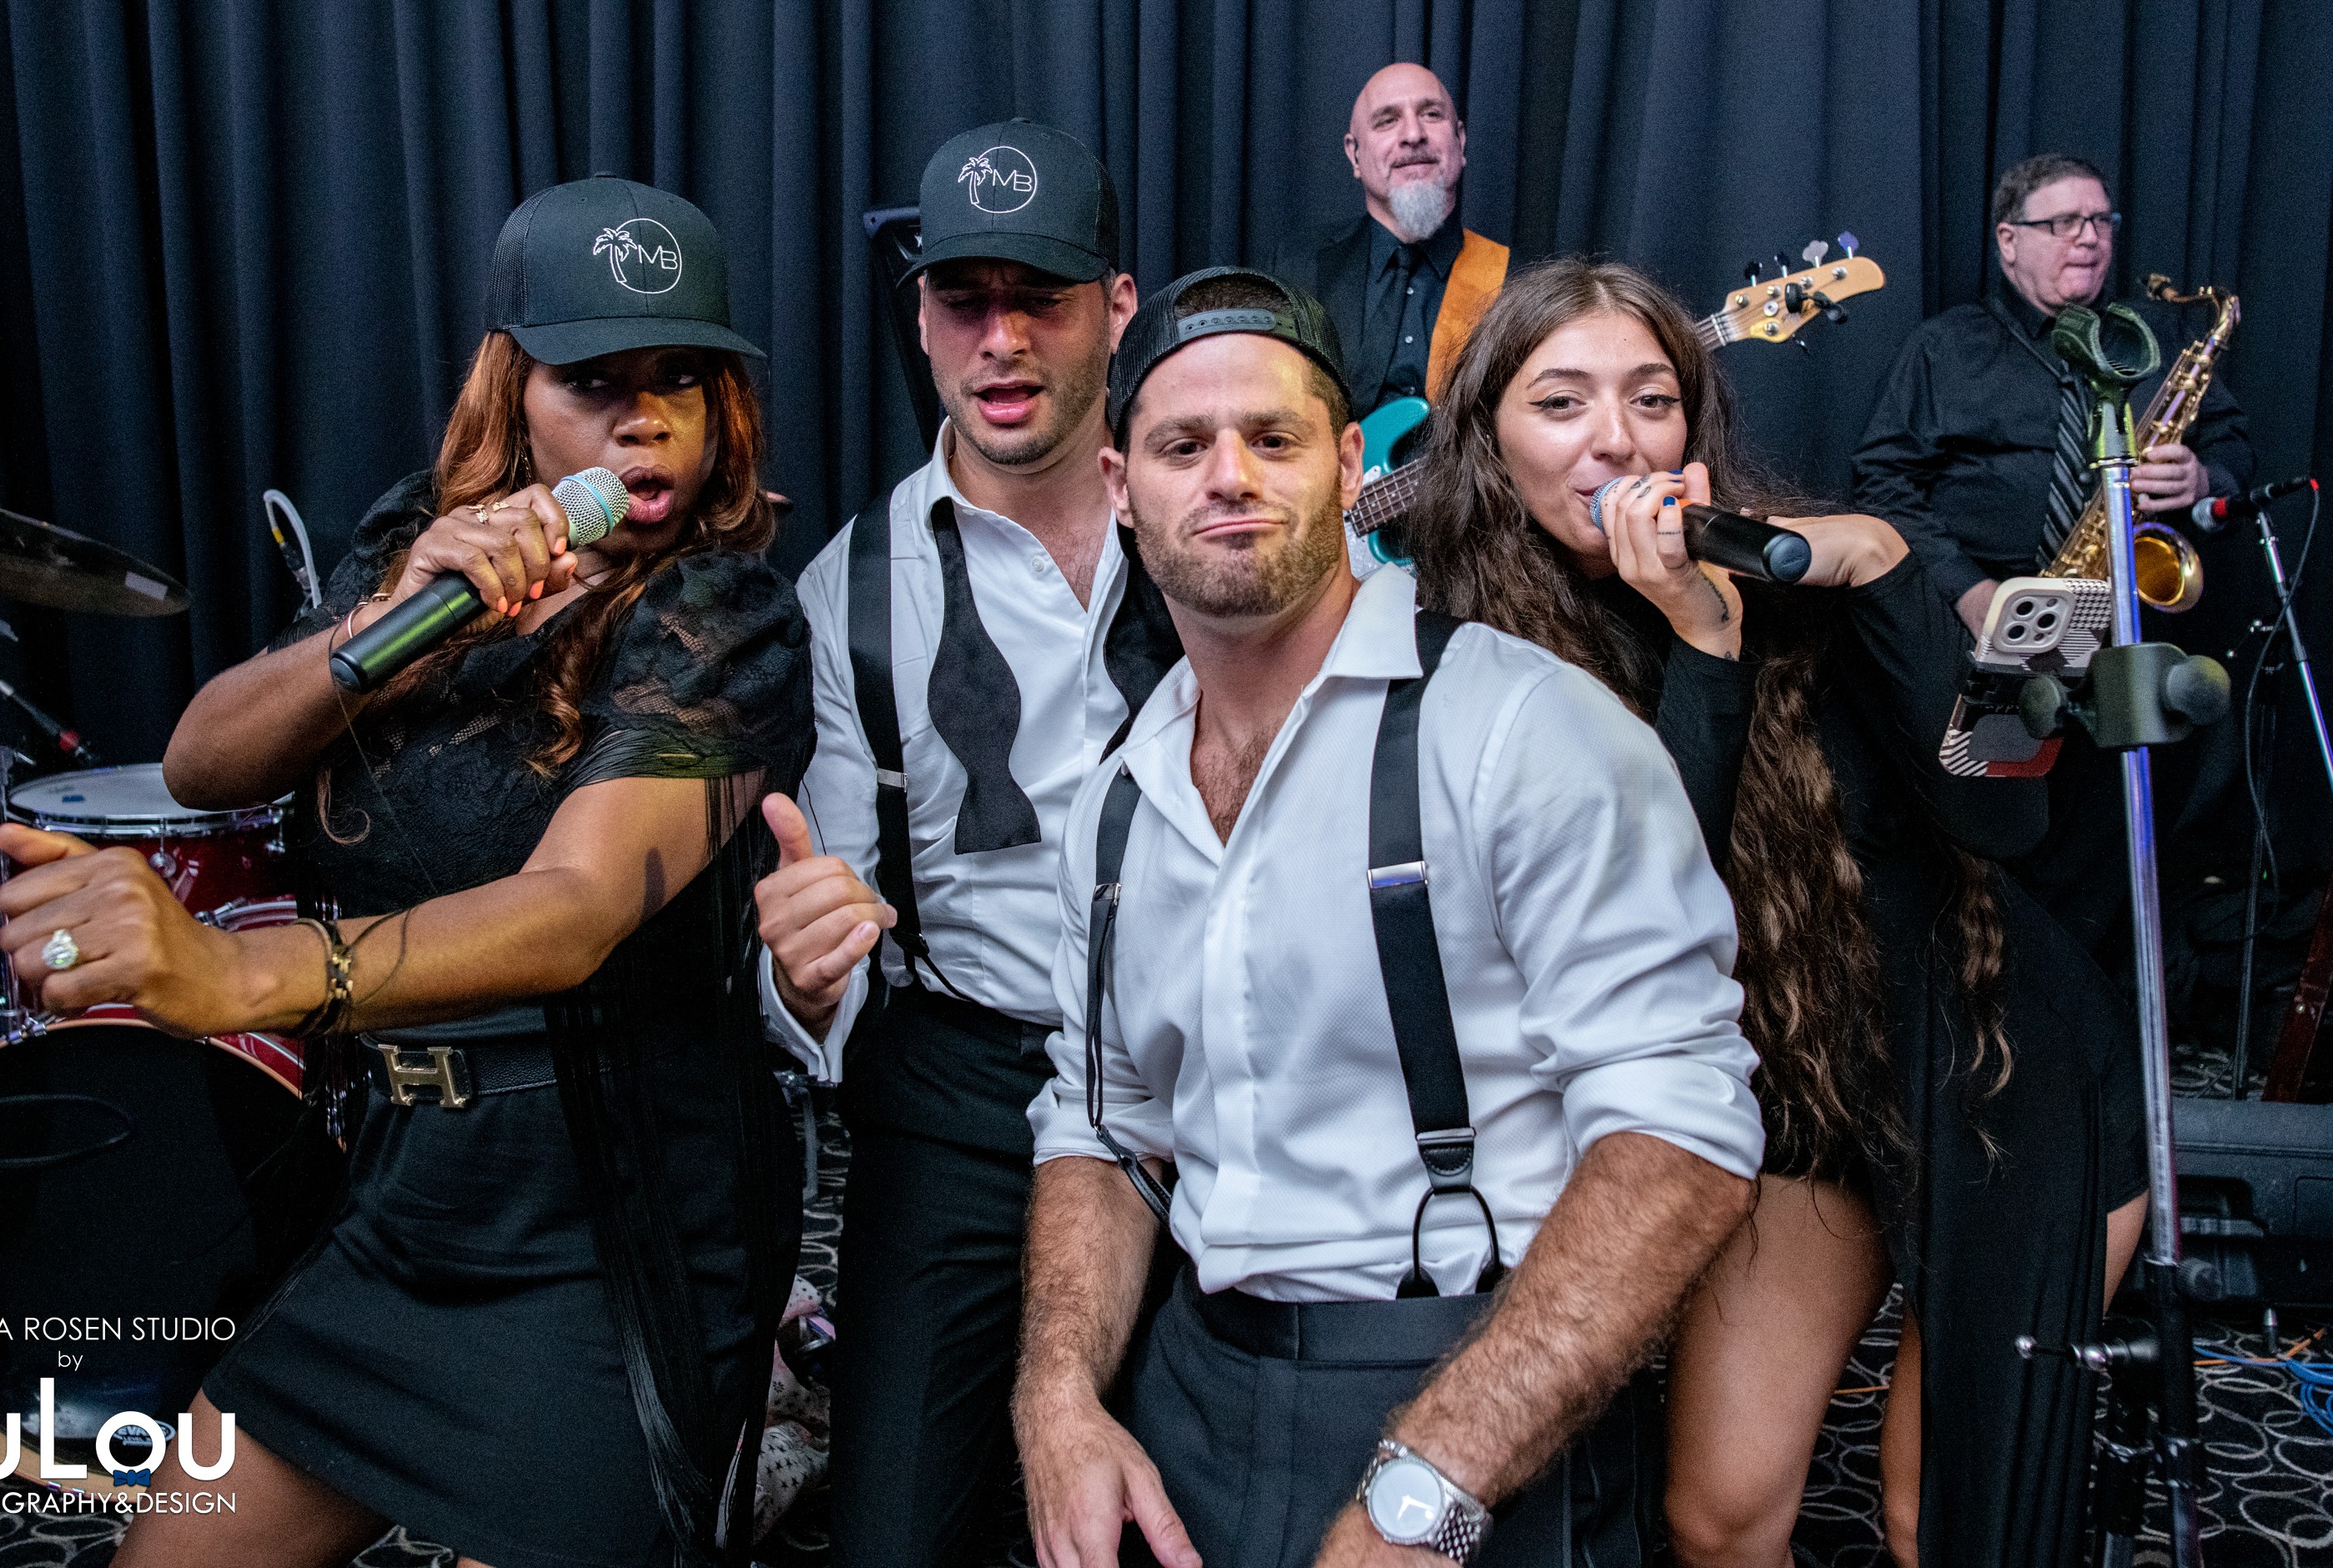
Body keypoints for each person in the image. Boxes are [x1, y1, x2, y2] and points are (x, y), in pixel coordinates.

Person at [0, 177, 812, 1568]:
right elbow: (203, 761)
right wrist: (397, 621)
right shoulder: (416, 551)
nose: (645, 419)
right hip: (401, 1194)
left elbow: (572, 913)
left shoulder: (725, 613)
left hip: (612, 1226)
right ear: (513, 393)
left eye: (681, 377)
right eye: (593, 381)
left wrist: (236, 973)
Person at [1014, 267, 1763, 1568]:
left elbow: (1679, 1137)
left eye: (1275, 438)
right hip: (1195, 1393)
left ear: (1352, 463)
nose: (1231, 476)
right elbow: (1104, 1126)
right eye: (1185, 447)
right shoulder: (1117, 803)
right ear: (1121, 488)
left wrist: (1426, 1494)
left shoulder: (1523, 729)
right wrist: (1059, 1395)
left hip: (1474, 1392)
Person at [1408, 258, 2150, 1568]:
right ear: (1489, 442)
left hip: (1995, 1067)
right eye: (1562, 403)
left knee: (1941, 1516)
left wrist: (1892, 570)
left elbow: (2006, 814)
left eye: (1651, 400)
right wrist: (1701, 643)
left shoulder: (1796, 565)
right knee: (1719, 1514)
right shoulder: (1468, 652)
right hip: (1799, 1096)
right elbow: (1654, 899)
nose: (1616, 440)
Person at [750, 118, 1164, 1568]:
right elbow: (829, 924)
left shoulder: (1216, 513)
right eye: (963, 300)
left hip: (1220, 1069)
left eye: (1039, 298)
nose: (1001, 340)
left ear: (1116, 307)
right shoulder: (849, 591)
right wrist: (804, 976)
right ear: (921, 319)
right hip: (966, 1092)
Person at [1851, 153, 2254, 958]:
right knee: (1994, 836)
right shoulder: (1946, 348)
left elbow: (2233, 444)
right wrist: (1968, 590)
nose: (2089, 238)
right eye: (2064, 222)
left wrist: (2203, 476)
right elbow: (1880, 481)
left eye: (2100, 220)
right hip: (1989, 634)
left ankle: (2086, 1002)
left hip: (2119, 635)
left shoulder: (2150, 342)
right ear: (2009, 240)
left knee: (2103, 849)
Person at [1270, 63, 1509, 415]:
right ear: (1354, 154)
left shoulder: (1515, 279)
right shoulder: (1299, 266)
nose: (1413, 134)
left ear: (1460, 142)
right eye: (1387, 121)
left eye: (1431, 114)